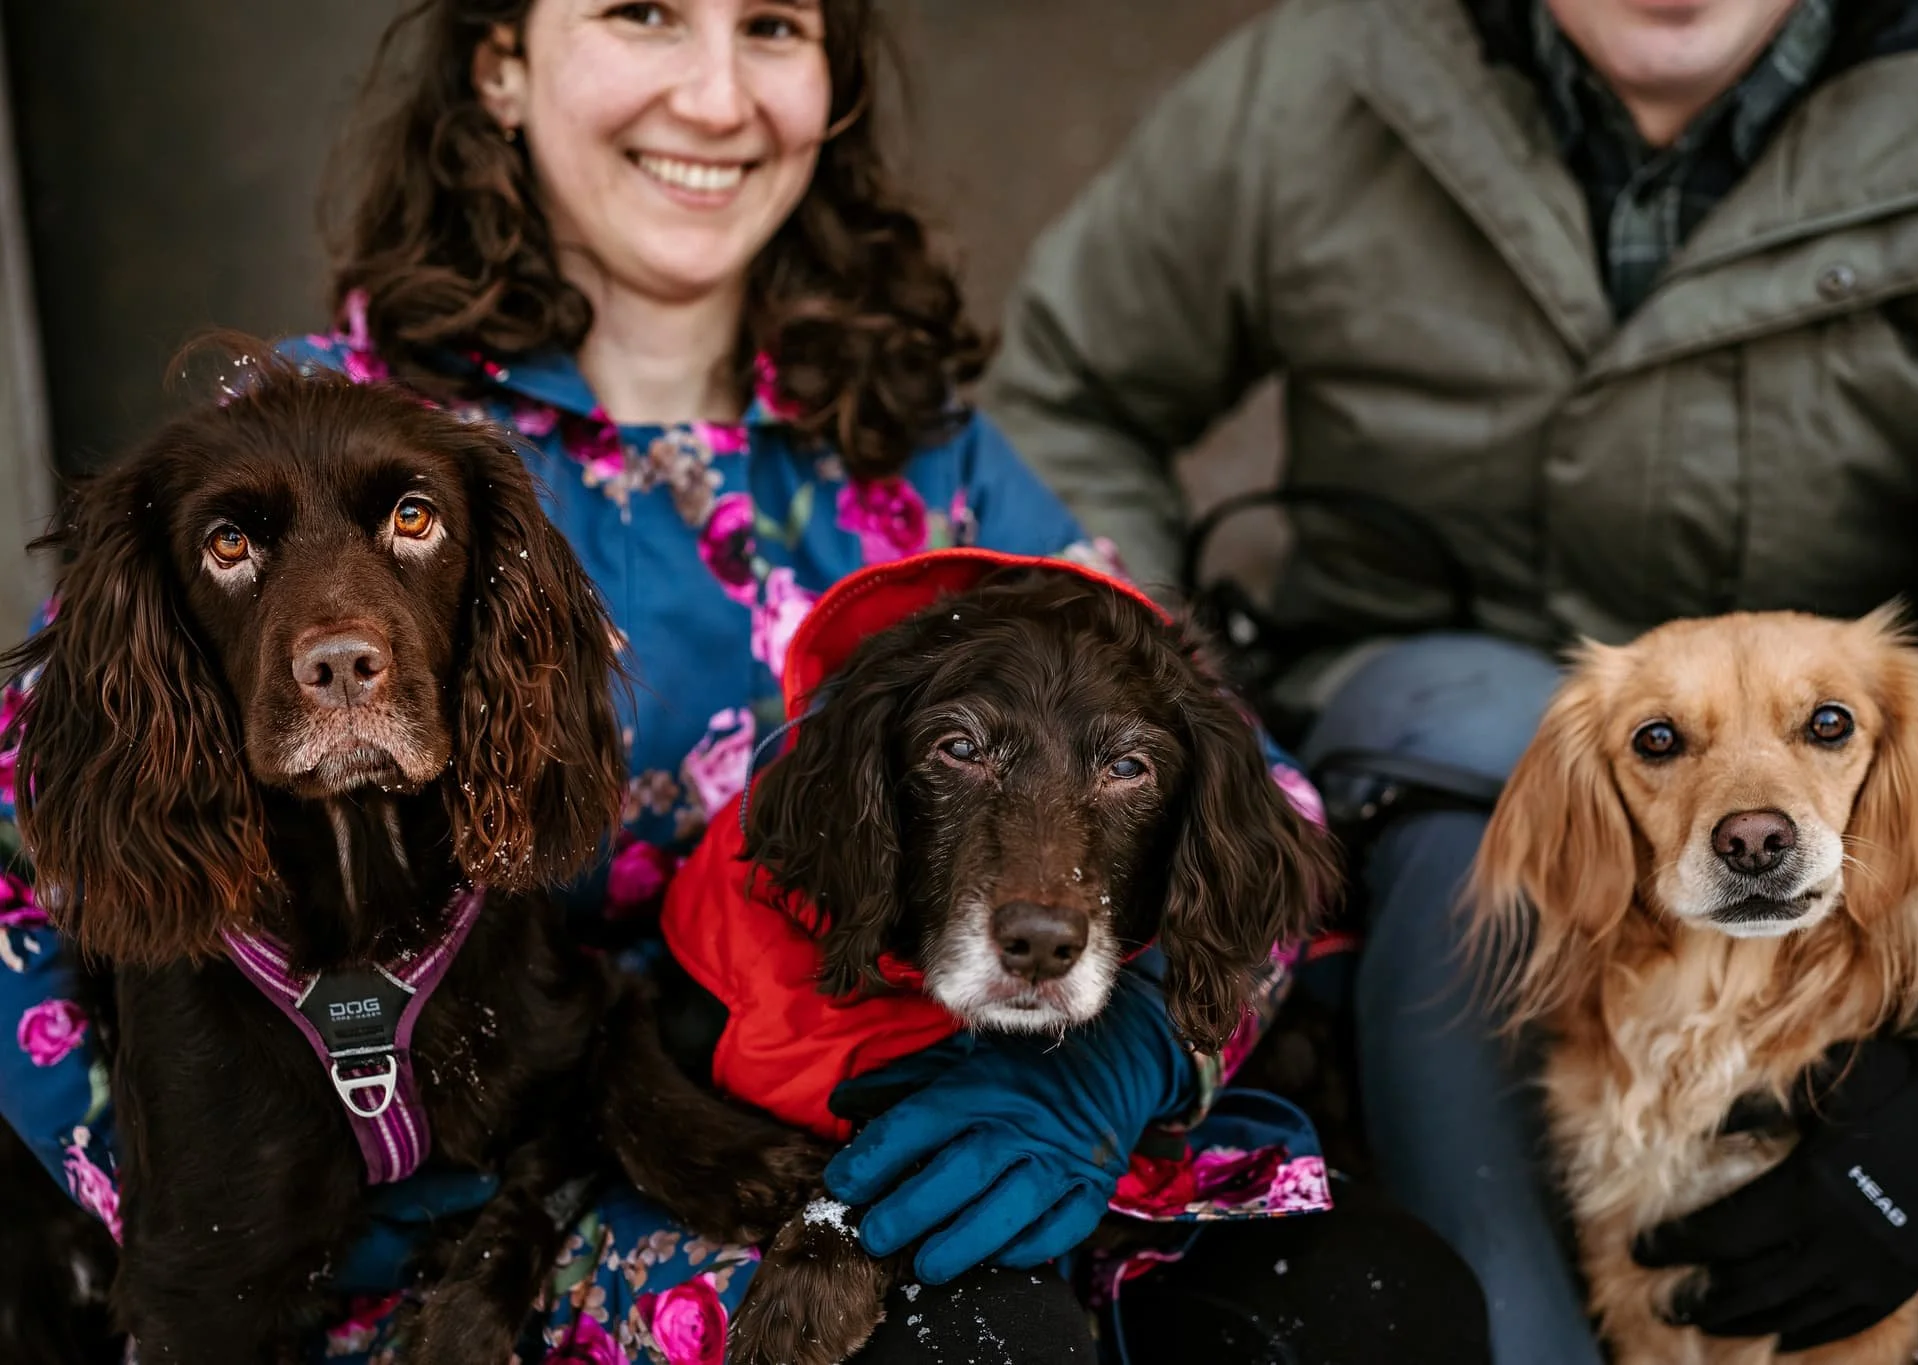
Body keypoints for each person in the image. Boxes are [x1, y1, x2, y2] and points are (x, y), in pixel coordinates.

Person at [0, 2, 1489, 1362]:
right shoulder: (333, 455)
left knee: (1384, 1305)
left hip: (892, 1126)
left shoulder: (922, 457)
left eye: (771, 26)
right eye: (645, 13)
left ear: (829, 87)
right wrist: (217, 1201)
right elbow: (31, 842)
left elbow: (1252, 797)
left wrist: (1131, 1060)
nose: (716, 96)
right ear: (501, 61)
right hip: (517, 1215)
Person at [980, 0, 1918, 1362]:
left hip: (1860, 873)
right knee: (1481, 722)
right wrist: (1163, 750)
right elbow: (1071, 396)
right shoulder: (1325, 73)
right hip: (1411, 764)